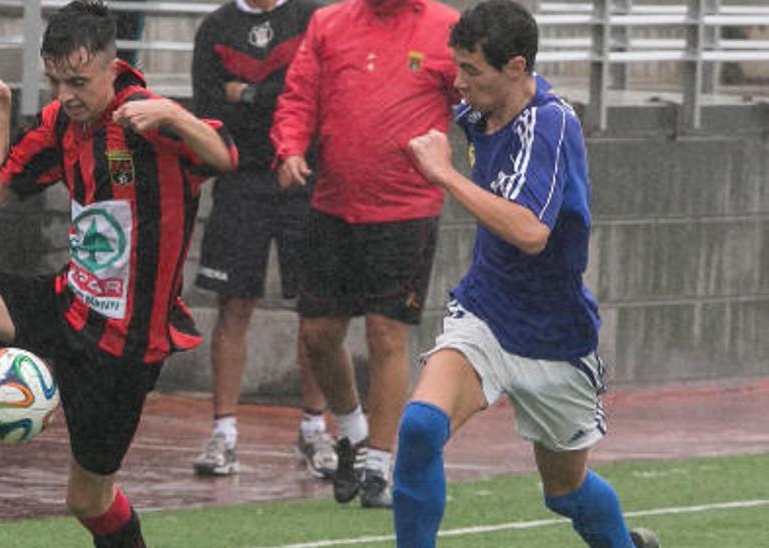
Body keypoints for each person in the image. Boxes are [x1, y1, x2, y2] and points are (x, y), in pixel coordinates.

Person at [0, 1, 235, 545]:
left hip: (124, 348)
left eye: (77, 82)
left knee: (86, 499)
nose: (65, 96)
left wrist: (175, 116)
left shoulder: (149, 116)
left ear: (111, 65)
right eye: (56, 81)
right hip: (68, 303)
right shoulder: (62, 121)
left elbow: (224, 156)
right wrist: (1, 107)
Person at [396, 2, 658, 547]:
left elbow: (530, 231)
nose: (459, 83)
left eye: (471, 71)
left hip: (555, 335)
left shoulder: (551, 122)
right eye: (457, 68)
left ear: (516, 67)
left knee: (565, 491)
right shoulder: (478, 106)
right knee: (420, 428)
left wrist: (442, 174)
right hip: (486, 311)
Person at [271, 0, 460, 508]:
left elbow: (476, 99)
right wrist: (290, 147)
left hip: (407, 208)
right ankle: (352, 431)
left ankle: (379, 462)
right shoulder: (329, 23)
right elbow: (299, 96)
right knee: (318, 332)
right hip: (333, 204)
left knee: (385, 332)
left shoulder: (444, 27)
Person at [188, 0, 332, 478]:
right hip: (240, 180)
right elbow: (208, 109)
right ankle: (223, 434)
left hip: (303, 176)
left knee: (314, 309)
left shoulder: (313, 18)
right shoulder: (216, 27)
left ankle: (315, 430)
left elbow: (312, 94)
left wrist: (246, 93)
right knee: (234, 307)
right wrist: (267, 94)